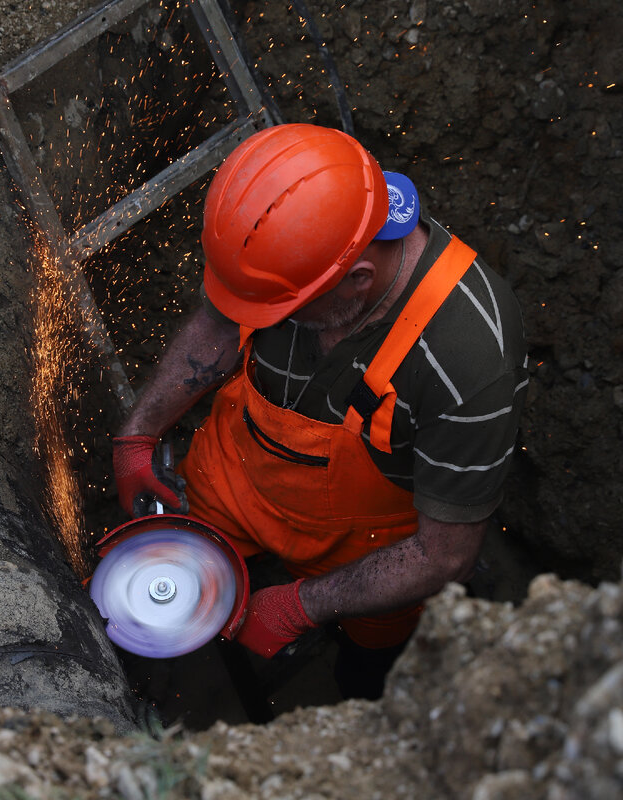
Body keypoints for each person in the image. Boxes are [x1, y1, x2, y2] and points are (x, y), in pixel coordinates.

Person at [112, 123, 527, 698]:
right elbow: (217, 322)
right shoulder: (284, 230)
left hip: (371, 545)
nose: (261, 318)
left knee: (370, 669)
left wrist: (299, 604)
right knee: (151, 571)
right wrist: (139, 434)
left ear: (358, 280)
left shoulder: (468, 359)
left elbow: (443, 554)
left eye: (286, 310)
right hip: (239, 471)